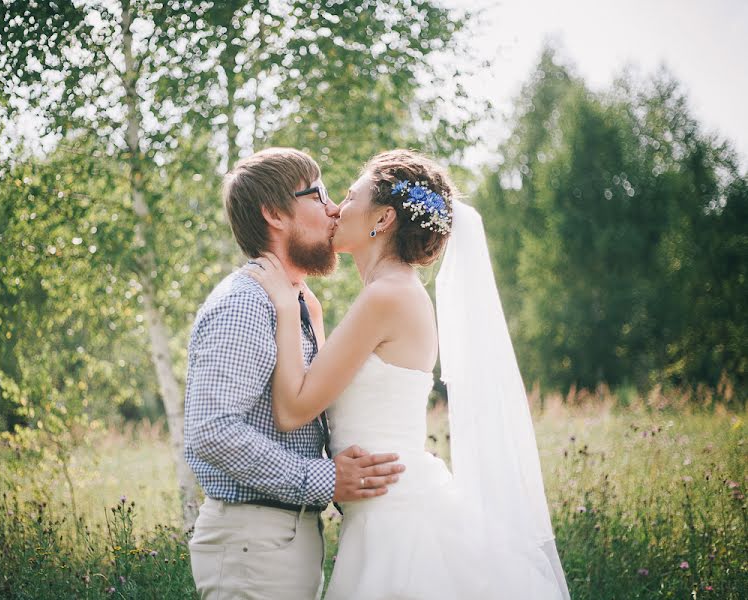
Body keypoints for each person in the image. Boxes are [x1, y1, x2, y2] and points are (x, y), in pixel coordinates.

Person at [244, 149, 571, 599]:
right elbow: (334, 385)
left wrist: (284, 307)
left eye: (350, 196)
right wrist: (312, 316)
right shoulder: (394, 292)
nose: (335, 208)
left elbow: (294, 408)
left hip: (398, 526)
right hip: (385, 512)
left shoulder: (387, 296)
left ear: (383, 218)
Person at [184, 147, 406, 600]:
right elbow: (210, 430)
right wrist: (324, 479)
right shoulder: (246, 304)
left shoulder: (292, 303)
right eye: (317, 193)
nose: (332, 208)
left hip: (281, 539)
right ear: (274, 214)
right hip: (253, 543)